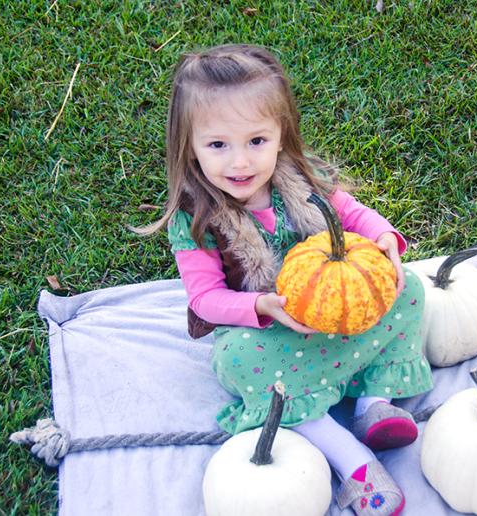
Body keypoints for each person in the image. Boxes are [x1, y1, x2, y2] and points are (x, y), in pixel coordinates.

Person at [138, 44, 433, 515]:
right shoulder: (195, 218)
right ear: (189, 147)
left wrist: (384, 241)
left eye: (256, 141)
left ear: (281, 135)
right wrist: (262, 307)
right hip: (272, 333)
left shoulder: (300, 179)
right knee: (238, 359)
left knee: (410, 289)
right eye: (218, 145)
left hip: (336, 311)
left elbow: (353, 214)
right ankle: (352, 461)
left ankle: (373, 403)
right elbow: (205, 299)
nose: (240, 163)